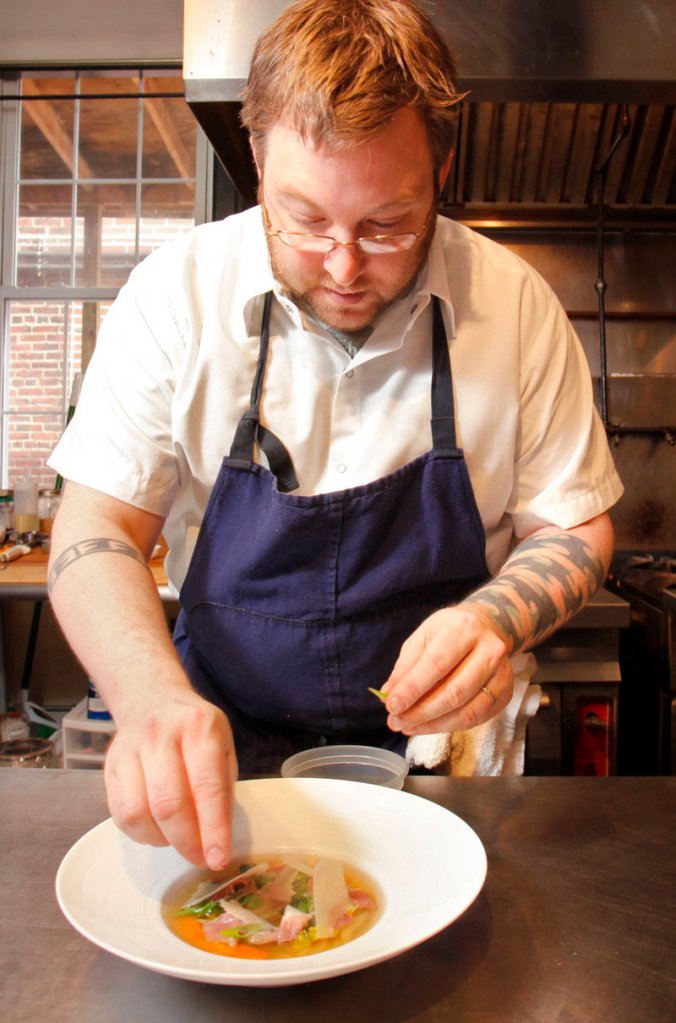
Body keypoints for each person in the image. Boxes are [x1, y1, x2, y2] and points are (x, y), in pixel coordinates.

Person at [47, 0, 622, 870]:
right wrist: (149, 696)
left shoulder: (514, 307)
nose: (346, 265)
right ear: (256, 162)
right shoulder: (176, 297)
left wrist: (498, 618)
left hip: (441, 762)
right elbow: (94, 526)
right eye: (305, 219)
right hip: (222, 752)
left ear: (442, 172)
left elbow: (575, 525)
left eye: (387, 223)